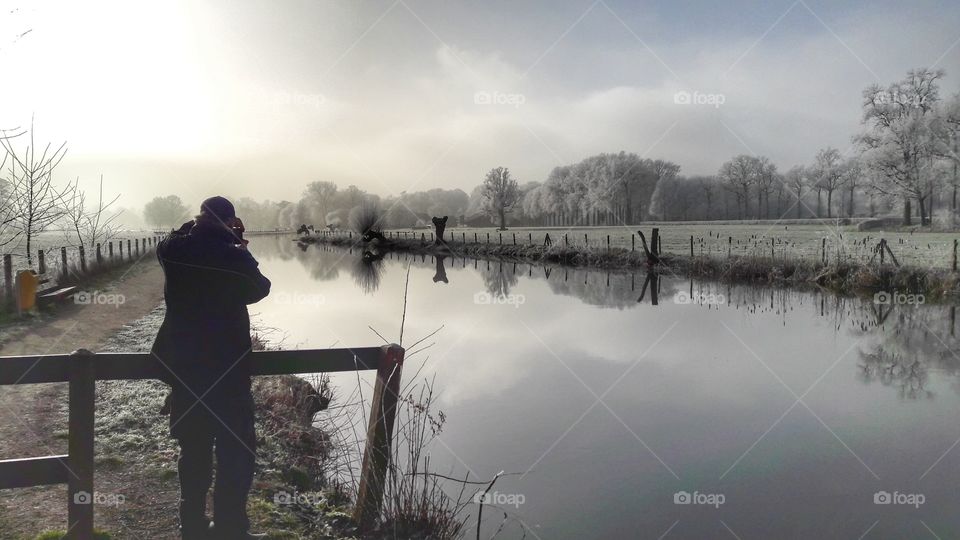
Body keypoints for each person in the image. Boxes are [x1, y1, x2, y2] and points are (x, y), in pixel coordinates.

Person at [152, 196, 271, 539]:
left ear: (200, 218)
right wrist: (237, 243)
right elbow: (260, 288)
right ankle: (230, 527)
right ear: (230, 222)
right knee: (236, 453)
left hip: (186, 370)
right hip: (228, 370)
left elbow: (169, 240)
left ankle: (190, 524)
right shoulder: (233, 257)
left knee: (194, 451)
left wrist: (198, 227)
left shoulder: (174, 252)